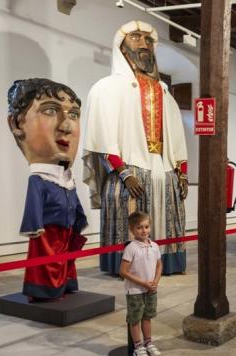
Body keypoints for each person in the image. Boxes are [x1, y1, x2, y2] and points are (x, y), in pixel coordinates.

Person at [82, 21, 188, 276]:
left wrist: (181, 172)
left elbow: (176, 136)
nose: (144, 43)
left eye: (149, 40)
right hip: (127, 171)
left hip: (163, 169)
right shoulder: (106, 88)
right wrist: (123, 172)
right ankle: (127, 267)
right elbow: (102, 136)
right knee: (128, 219)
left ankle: (167, 264)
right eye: (135, 37)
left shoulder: (164, 91)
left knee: (168, 220)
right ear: (121, 46)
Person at [7, 78, 88, 300]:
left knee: (66, 259)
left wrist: (79, 219)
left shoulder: (66, 178)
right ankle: (43, 289)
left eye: (73, 114)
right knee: (47, 262)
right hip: (47, 232)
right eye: (50, 110)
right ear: (16, 124)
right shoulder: (39, 178)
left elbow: (74, 200)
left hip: (67, 228)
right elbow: (33, 205)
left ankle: (65, 284)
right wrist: (35, 227)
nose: (66, 125)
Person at [120, 211, 162, 356]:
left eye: (146, 226)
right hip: (135, 291)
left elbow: (159, 265)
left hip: (151, 289)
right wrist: (142, 283)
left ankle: (148, 342)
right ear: (132, 230)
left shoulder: (155, 246)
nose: (144, 230)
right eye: (139, 228)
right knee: (135, 318)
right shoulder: (131, 248)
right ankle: (138, 346)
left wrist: (155, 281)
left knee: (147, 317)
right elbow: (123, 271)